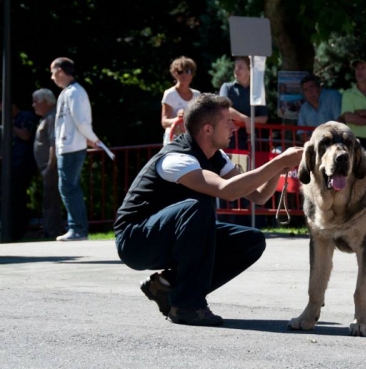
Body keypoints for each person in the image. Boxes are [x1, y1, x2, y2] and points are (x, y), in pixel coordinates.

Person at [114, 93, 303, 326]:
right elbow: (226, 190)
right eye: (227, 122)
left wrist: (280, 166)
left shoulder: (216, 157)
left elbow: (259, 196)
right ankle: (187, 305)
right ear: (207, 129)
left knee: (251, 241)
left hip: (170, 236)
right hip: (136, 241)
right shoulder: (177, 158)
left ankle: (167, 287)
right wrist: (278, 162)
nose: (234, 127)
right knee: (199, 206)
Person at [51, 57, 102, 241]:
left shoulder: (74, 93)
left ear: (60, 71)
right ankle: (77, 228)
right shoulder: (69, 92)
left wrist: (92, 139)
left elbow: (81, 121)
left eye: (52, 72)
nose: (52, 77)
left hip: (71, 147)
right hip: (68, 146)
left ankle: (78, 229)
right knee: (69, 187)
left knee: (68, 187)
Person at [0, 102, 37, 239]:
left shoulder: (25, 116)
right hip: (10, 164)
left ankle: (19, 230)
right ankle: (12, 229)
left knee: (18, 197)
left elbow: (26, 135)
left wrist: (10, 125)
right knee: (11, 197)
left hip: (22, 163)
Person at [32, 89, 64, 238]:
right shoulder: (47, 117)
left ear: (46, 101)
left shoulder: (52, 117)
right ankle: (51, 229)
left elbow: (54, 143)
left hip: (50, 167)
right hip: (47, 167)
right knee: (49, 200)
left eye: (36, 101)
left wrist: (50, 166)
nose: (33, 105)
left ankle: (52, 231)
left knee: (51, 201)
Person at [219, 56, 268, 150]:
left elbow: (263, 117)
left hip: (252, 142)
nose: (236, 70)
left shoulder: (257, 91)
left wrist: (245, 120)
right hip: (230, 141)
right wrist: (245, 120)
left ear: (249, 71)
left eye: (240, 67)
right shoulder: (227, 87)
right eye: (235, 67)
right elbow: (224, 108)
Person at [161, 56, 201, 145]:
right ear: (174, 74)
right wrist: (178, 119)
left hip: (191, 138)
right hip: (173, 138)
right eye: (180, 72)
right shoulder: (170, 94)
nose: (184, 75)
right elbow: (164, 122)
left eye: (187, 71)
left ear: (192, 74)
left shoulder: (197, 95)